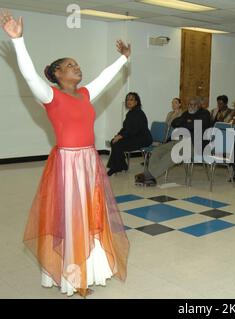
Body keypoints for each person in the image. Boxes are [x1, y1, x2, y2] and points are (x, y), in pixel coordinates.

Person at [1, 10, 130, 296]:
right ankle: (74, 278)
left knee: (91, 215)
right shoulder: (49, 96)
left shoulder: (85, 94)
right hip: (68, 163)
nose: (77, 68)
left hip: (88, 161)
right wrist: (18, 41)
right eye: (70, 66)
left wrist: (123, 58)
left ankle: (91, 269)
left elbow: (105, 78)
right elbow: (28, 75)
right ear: (58, 74)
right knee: (73, 219)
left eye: (77, 65)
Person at [145, 97, 211, 185]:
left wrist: (186, 122)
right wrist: (188, 121)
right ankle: (150, 175)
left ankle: (150, 176)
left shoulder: (205, 114)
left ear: (198, 106)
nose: (190, 106)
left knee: (172, 154)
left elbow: (193, 125)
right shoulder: (186, 113)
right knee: (157, 151)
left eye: (192, 105)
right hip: (179, 140)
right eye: (189, 104)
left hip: (194, 145)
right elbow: (174, 122)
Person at [107, 92, 153, 176]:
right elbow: (125, 128)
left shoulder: (139, 113)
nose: (129, 101)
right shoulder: (130, 113)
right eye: (127, 99)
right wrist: (118, 135)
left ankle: (115, 167)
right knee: (113, 141)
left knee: (118, 144)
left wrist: (121, 136)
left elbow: (134, 129)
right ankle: (122, 165)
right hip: (134, 136)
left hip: (143, 138)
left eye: (131, 99)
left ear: (136, 102)